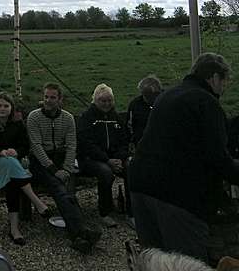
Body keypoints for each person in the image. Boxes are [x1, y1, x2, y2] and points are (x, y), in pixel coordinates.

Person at [129, 52, 239, 263]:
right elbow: (218, 160)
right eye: (224, 81)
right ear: (214, 77)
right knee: (187, 263)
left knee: (155, 262)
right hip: (175, 195)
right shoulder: (206, 102)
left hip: (140, 185)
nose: (224, 87)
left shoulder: (168, 95)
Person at [27, 82, 102, 253]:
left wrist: (67, 169)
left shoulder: (67, 118)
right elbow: (36, 146)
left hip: (62, 159)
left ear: (60, 99)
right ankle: (79, 233)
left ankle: (79, 235)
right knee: (58, 188)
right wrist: (54, 170)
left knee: (68, 190)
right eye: (46, 97)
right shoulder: (34, 117)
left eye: (53, 97)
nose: (48, 100)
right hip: (41, 162)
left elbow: (71, 145)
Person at [0, 92, 52, 245]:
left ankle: (14, 230)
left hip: (12, 168)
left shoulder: (17, 123)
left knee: (12, 183)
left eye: (6, 106)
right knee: (10, 163)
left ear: (11, 108)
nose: (2, 109)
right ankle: (37, 202)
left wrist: (17, 151)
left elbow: (24, 145)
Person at [76, 83, 133, 227]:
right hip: (91, 159)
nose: (107, 103)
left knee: (131, 168)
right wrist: (107, 160)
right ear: (95, 100)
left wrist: (120, 158)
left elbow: (124, 141)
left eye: (109, 100)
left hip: (115, 158)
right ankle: (105, 212)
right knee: (106, 172)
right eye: (103, 100)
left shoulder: (117, 118)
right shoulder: (87, 117)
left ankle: (132, 211)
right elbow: (86, 144)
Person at [127, 75, 163, 148]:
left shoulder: (166, 102)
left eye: (152, 95)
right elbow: (129, 126)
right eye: (146, 95)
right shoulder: (135, 105)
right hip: (142, 145)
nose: (148, 99)